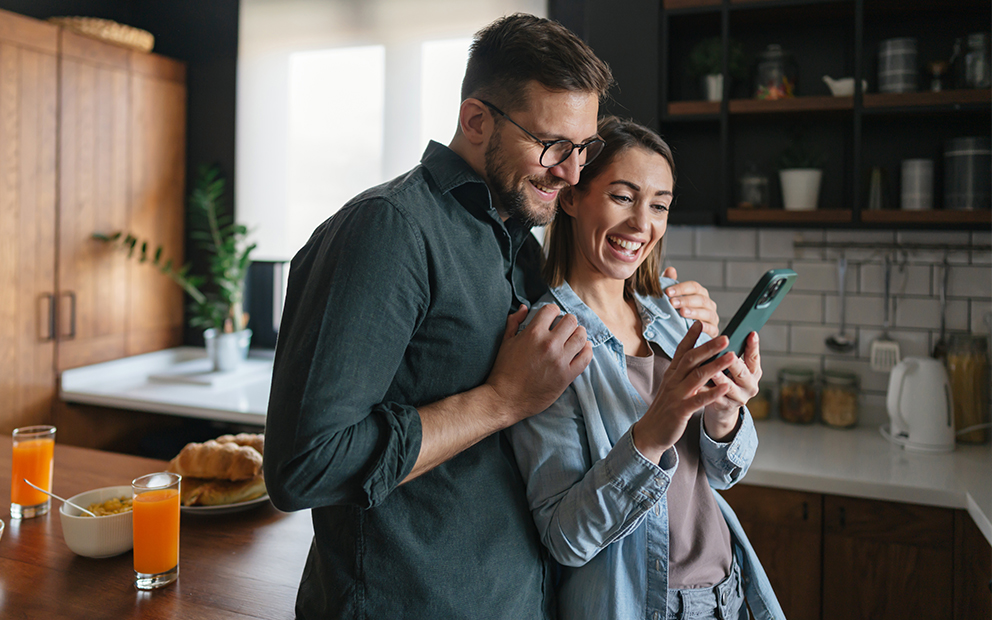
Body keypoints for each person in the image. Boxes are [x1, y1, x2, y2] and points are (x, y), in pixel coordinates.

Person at [264, 14, 719, 620]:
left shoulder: (517, 244)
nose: (572, 172)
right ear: (476, 120)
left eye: (582, 149)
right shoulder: (387, 230)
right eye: (553, 146)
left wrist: (677, 312)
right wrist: (501, 399)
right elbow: (305, 466)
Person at [507, 116, 785, 620]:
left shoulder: (670, 317)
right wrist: (653, 432)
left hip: (729, 594)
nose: (642, 224)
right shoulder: (548, 344)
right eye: (622, 196)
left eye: (659, 205)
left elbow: (723, 473)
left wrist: (726, 414)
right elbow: (565, 538)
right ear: (570, 198)